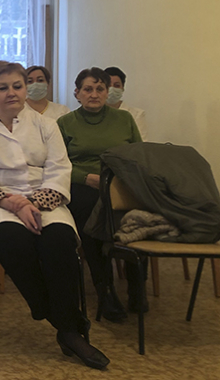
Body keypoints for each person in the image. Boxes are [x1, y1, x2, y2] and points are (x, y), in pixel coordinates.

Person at [0, 61, 109, 370]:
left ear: (26, 89)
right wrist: (15, 204)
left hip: (44, 199)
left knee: (59, 241)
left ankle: (65, 327)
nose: (11, 93)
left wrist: (34, 202)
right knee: (14, 240)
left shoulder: (46, 125)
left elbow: (59, 170)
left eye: (17, 86)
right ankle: (65, 323)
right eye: (3, 88)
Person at [57, 67, 142, 322]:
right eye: (88, 89)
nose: (94, 94)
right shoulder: (65, 123)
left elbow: (138, 156)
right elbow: (58, 164)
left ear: (107, 92)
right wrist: (86, 177)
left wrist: (118, 181)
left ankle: (137, 286)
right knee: (91, 218)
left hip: (120, 184)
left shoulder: (124, 119)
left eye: (99, 89)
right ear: (77, 93)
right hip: (83, 185)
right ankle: (105, 290)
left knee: (138, 217)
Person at [104, 66, 147, 140]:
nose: (112, 89)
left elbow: (141, 143)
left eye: (117, 85)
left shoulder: (136, 115)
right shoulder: (95, 113)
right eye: (108, 85)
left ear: (123, 88)